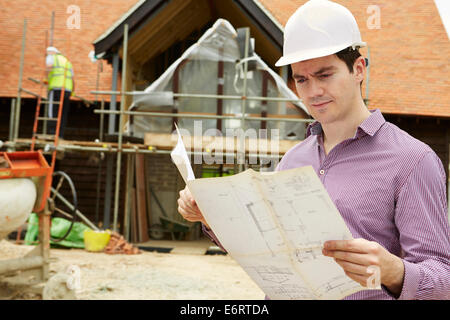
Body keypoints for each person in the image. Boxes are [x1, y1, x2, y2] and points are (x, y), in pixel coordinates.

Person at [177, 0, 450, 299]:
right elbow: (266, 252)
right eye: (302, 79)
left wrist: (393, 270)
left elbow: (443, 280)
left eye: (324, 75)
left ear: (358, 68)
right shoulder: (294, 159)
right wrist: (211, 217)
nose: (313, 91)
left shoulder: (412, 161)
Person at [45, 46, 75, 139]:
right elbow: (73, 78)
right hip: (67, 89)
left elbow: (48, 67)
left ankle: (52, 134)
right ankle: (60, 135)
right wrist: (72, 91)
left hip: (56, 87)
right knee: (62, 113)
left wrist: (46, 79)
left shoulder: (52, 58)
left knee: (53, 112)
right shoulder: (67, 62)